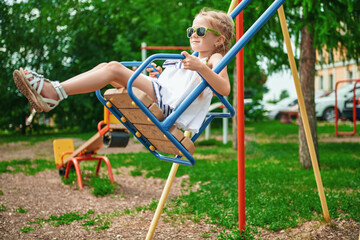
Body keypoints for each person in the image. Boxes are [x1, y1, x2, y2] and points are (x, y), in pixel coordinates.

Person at [13, 9, 234, 133]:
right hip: (164, 94)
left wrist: (200, 68)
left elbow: (224, 88)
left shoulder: (214, 58)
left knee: (115, 69)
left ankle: (54, 92)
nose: (194, 34)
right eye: (191, 29)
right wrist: (158, 76)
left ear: (219, 40)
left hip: (170, 106)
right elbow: (184, 83)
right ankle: (56, 92)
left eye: (201, 30)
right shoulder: (193, 59)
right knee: (106, 67)